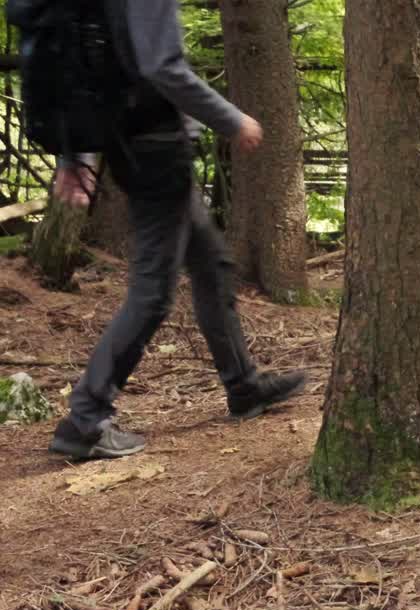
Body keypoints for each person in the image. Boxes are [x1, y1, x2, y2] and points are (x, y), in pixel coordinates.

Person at [48, 0, 305, 460]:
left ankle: (243, 386)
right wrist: (232, 119)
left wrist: (77, 153)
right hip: (156, 151)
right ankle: (85, 418)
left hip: (139, 146)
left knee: (212, 265)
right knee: (153, 292)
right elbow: (162, 66)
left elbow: (83, 75)